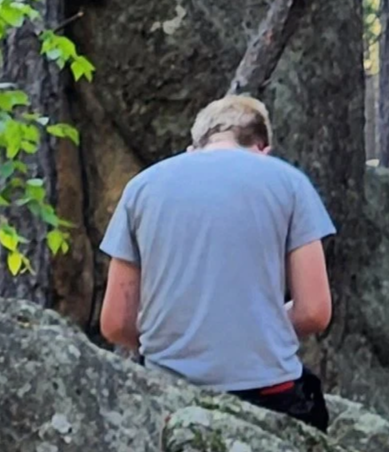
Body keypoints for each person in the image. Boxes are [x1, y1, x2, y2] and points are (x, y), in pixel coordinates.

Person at [99, 92, 335, 428]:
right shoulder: (290, 183)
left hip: (170, 394)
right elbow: (314, 311)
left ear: (192, 149)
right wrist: (259, 326)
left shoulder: (142, 187)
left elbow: (115, 322)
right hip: (269, 392)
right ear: (263, 149)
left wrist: (175, 337)